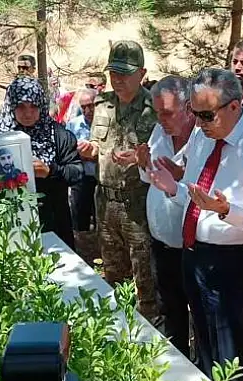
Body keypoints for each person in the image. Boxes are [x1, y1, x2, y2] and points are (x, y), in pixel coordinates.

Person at [147, 68, 243, 381]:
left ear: (235, 106)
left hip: (233, 263)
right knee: (205, 343)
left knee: (229, 352)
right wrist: (174, 188)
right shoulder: (202, 136)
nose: (199, 122)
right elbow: (197, 193)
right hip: (193, 253)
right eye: (194, 113)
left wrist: (228, 210)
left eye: (206, 115)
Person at [79, 41, 159, 320]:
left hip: (138, 203)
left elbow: (168, 154)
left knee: (144, 277)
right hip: (105, 203)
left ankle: (150, 333)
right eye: (113, 72)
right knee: (114, 276)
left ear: (142, 73)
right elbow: (96, 145)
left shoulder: (155, 107)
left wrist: (141, 159)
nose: (118, 79)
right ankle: (120, 329)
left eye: (125, 73)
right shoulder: (102, 104)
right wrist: (89, 150)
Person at [136, 75, 196, 357]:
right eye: (158, 112)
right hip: (161, 241)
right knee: (169, 306)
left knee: (197, 308)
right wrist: (143, 164)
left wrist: (181, 176)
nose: (161, 119)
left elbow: (210, 190)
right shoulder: (160, 132)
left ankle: (202, 366)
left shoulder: (203, 138)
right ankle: (177, 358)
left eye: (168, 113)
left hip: (192, 245)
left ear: (188, 108)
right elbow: (150, 178)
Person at [0, 76, 83, 249]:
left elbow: (77, 172)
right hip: (12, 225)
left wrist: (50, 172)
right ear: (11, 106)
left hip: (54, 222)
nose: (28, 113)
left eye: (33, 106)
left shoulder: (57, 135)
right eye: (21, 106)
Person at [67, 89, 98, 234]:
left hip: (102, 179)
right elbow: (66, 152)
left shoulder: (108, 123)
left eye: (91, 106)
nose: (87, 111)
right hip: (81, 179)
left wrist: (96, 155)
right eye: (83, 107)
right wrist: (83, 156)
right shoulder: (73, 125)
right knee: (80, 222)